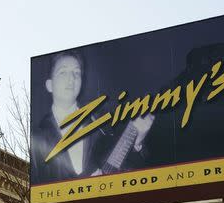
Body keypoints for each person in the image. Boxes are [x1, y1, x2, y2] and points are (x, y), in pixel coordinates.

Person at [31, 51, 154, 184]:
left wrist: (137, 142)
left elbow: (128, 171)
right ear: (49, 85)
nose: (71, 78)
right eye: (63, 72)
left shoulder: (102, 123)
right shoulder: (35, 137)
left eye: (77, 73)